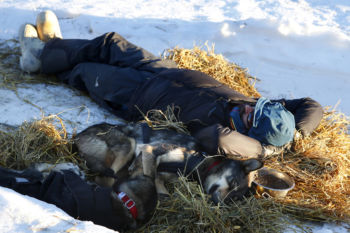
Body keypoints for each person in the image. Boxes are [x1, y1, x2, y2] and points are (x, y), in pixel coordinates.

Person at [18, 11, 323, 159]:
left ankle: (38, 60)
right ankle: (52, 46)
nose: (248, 105)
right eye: (256, 105)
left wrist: (264, 151)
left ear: (252, 134)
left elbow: (218, 138)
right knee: (112, 42)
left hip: (138, 95)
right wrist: (295, 133)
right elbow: (312, 106)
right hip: (165, 72)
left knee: (86, 71)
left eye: (250, 115)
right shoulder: (262, 116)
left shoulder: (235, 138)